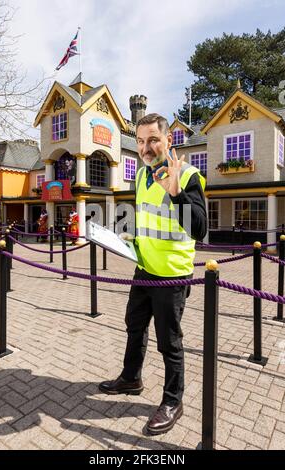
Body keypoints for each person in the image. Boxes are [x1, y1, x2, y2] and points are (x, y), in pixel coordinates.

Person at [99, 113, 207, 435]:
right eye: (141, 141)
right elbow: (149, 220)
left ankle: (173, 400)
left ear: (168, 140)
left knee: (169, 342)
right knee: (134, 325)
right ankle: (131, 378)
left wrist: (175, 193)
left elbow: (200, 229)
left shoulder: (187, 175)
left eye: (153, 140)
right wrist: (129, 237)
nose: (146, 148)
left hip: (172, 276)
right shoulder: (141, 178)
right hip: (143, 268)